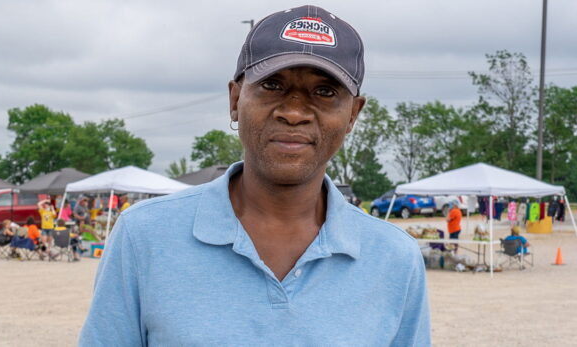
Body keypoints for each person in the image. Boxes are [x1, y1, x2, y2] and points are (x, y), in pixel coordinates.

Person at [80, 6, 429, 346]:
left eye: (324, 92)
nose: (294, 112)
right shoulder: (143, 236)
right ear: (235, 99)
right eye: (272, 85)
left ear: (353, 114)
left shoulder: (394, 258)